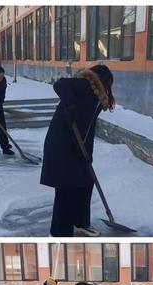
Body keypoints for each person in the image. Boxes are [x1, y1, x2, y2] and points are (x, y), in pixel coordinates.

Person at [40, 65, 115, 237]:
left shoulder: (96, 96)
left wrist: (88, 153)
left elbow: (88, 127)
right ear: (101, 79)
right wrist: (71, 105)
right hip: (61, 147)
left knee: (85, 183)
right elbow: (60, 84)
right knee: (66, 189)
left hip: (78, 147)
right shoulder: (84, 84)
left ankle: (80, 223)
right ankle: (59, 233)